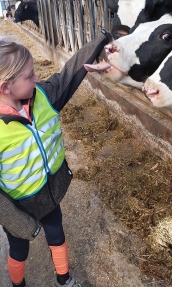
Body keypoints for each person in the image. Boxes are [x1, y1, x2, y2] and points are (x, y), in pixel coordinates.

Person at [0, 30, 112, 287]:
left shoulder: (42, 97)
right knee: (19, 251)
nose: (36, 78)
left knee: (57, 235)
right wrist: (18, 222)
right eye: (29, 76)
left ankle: (64, 279)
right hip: (18, 204)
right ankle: (18, 285)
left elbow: (69, 73)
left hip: (48, 193)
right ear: (6, 87)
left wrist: (101, 40)